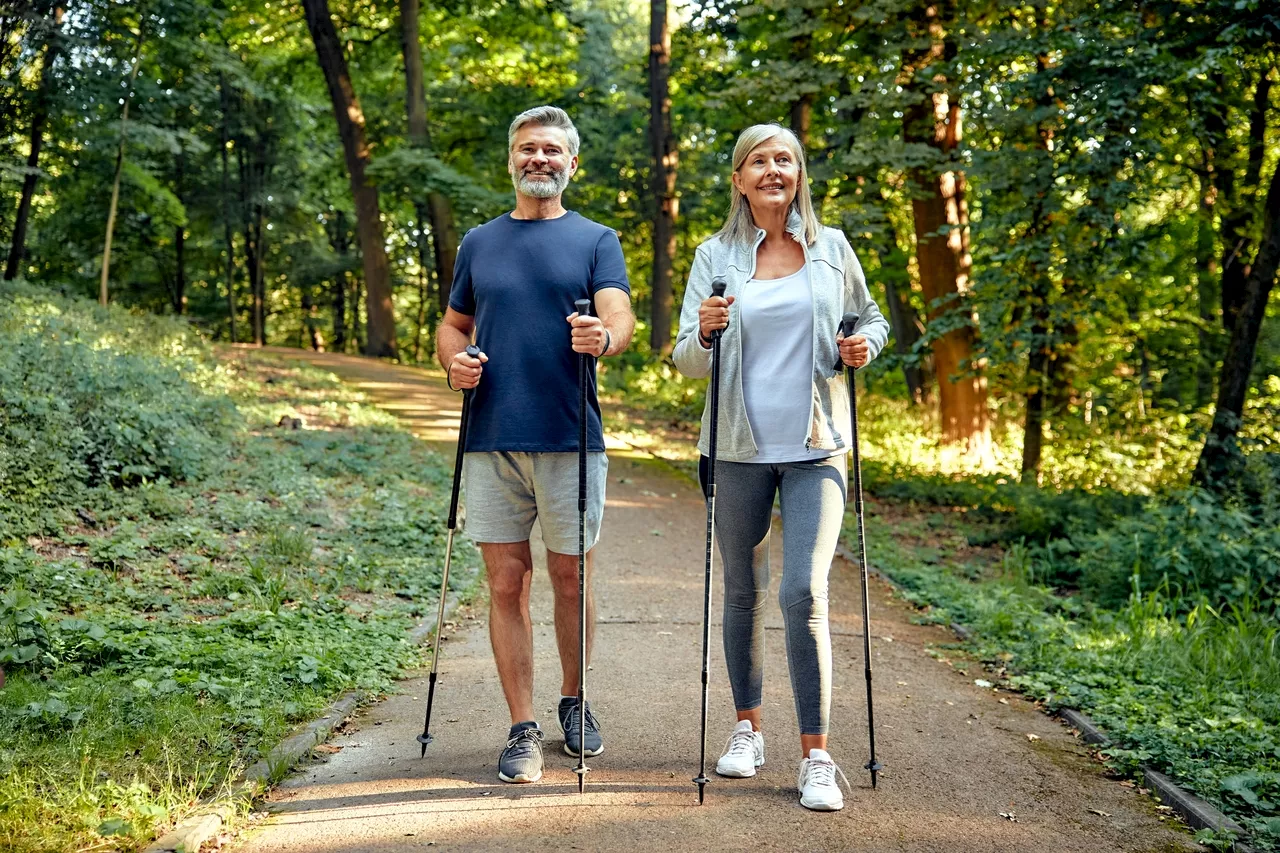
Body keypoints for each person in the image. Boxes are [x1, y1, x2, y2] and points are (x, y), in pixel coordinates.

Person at [672, 123, 889, 811]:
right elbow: (684, 357)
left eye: (785, 159)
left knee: (804, 592)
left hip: (817, 446)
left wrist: (863, 348)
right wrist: (704, 330)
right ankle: (748, 728)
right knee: (743, 589)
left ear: (799, 173)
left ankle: (816, 755)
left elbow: (871, 320)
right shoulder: (715, 255)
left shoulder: (832, 249)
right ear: (738, 178)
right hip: (735, 448)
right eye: (759, 161)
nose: (773, 170)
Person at [436, 105, 634, 785]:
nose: (540, 159)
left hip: (571, 437)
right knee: (506, 580)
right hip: (491, 438)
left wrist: (602, 338)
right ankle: (523, 727)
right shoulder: (478, 242)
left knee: (571, 576)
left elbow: (619, 314)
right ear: (512, 160)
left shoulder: (595, 239)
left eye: (552, 149)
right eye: (528, 149)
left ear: (571, 163)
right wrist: (453, 361)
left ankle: (575, 702)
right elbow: (453, 325)